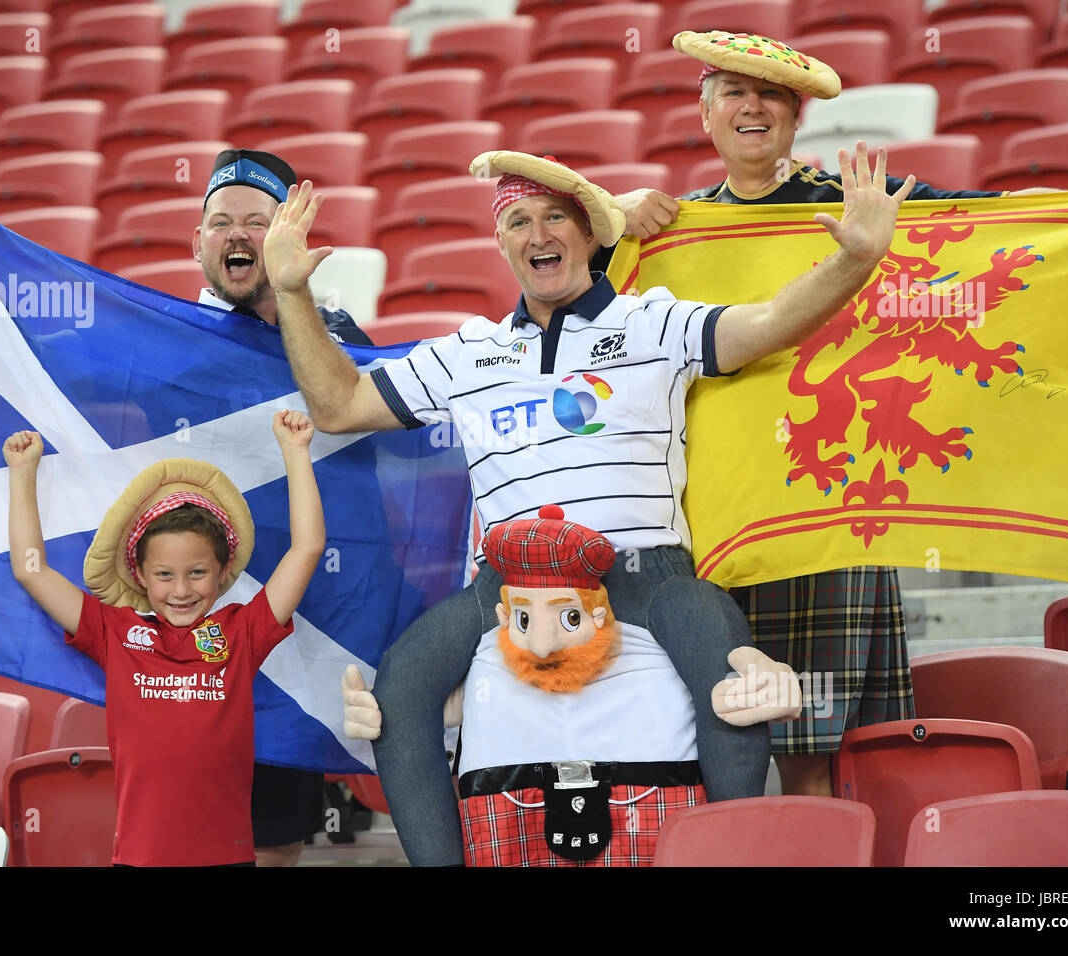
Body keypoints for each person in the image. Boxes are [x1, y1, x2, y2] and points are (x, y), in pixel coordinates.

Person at [261, 145, 915, 865]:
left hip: (641, 573)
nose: (538, 235)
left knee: (721, 655)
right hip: (503, 586)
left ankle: (734, 853)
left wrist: (856, 259)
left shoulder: (653, 322)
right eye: (518, 221)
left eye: (555, 218)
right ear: (501, 241)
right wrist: (291, 292)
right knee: (401, 690)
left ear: (592, 232)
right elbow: (338, 405)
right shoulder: (466, 351)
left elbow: (767, 326)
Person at [606, 30, 1024, 799]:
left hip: (827, 516)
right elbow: (565, 305)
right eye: (734, 92)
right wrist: (607, 216)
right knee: (710, 746)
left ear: (798, 122)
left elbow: (1008, 237)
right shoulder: (669, 229)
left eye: (772, 95)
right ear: (707, 117)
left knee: (809, 752)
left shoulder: (860, 207)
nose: (753, 106)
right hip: (714, 523)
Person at [0, 147, 369, 866]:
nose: (237, 236)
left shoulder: (337, 336)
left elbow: (375, 456)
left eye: (258, 222)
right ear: (196, 242)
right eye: (220, 221)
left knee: (277, 839)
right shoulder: (160, 341)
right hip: (200, 648)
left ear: (290, 233)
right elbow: (32, 369)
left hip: (296, 630)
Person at [339, 505, 799, 866]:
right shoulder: (480, 644)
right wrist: (394, 711)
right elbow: (405, 707)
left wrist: (767, 689)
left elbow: (736, 692)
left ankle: (732, 846)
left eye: (568, 616)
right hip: (508, 822)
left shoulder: (672, 609)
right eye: (522, 619)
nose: (542, 645)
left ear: (597, 614)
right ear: (504, 617)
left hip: (652, 814)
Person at [2, 409, 325, 866]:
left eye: (197, 573)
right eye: (164, 574)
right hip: (140, 858)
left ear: (223, 572)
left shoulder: (242, 631)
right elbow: (31, 571)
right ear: (140, 574)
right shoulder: (113, 632)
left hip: (228, 859)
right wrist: (22, 474)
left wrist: (296, 453)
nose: (180, 590)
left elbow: (307, 548)